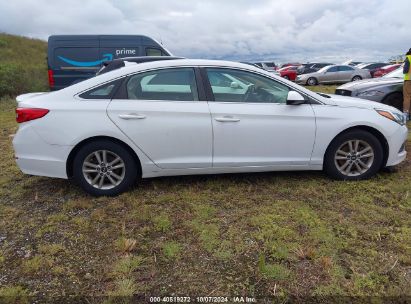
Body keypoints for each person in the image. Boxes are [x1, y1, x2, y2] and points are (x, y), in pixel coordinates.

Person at [403, 48, 411, 121]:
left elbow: (405, 71)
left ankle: (406, 115)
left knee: (407, 97)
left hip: (409, 80)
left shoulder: (409, 58)